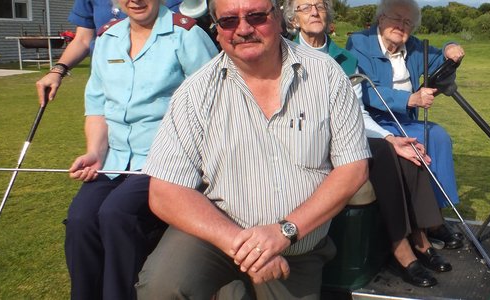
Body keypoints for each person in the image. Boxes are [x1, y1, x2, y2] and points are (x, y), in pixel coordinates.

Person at [133, 0, 370, 297]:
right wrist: (242, 244)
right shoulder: (194, 94)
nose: (243, 29)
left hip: (296, 245)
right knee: (161, 286)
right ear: (217, 29)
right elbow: (164, 191)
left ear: (279, 19)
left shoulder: (326, 75)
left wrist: (284, 231)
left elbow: (354, 168)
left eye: (256, 16)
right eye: (229, 21)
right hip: (217, 236)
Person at [285, 0, 453, 287]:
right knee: (385, 157)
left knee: (406, 151)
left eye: (320, 6)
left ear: (328, 15)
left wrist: (390, 137)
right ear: (293, 20)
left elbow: (356, 110)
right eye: (304, 7)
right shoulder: (282, 53)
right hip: (299, 140)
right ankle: (402, 251)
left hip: (343, 135)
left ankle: (422, 239)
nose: (314, 11)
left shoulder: (343, 59)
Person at [62, 0, 216, 298]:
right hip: (115, 160)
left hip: (167, 161)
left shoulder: (185, 35)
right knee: (81, 219)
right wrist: (94, 151)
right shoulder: (107, 39)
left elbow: (213, 104)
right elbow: (97, 107)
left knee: (117, 213)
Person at [345, 0, 465, 247]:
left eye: (407, 22)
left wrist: (450, 49)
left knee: (438, 136)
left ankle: (438, 215)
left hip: (404, 120)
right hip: (374, 121)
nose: (400, 25)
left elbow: (439, 62)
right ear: (381, 18)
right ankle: (426, 223)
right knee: (417, 143)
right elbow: (365, 89)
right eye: (395, 18)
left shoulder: (414, 47)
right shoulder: (359, 43)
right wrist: (409, 99)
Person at [34, 0, 183, 106]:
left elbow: (183, 36)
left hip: (160, 94)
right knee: (99, 147)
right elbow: (82, 40)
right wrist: (58, 70)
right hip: (108, 92)